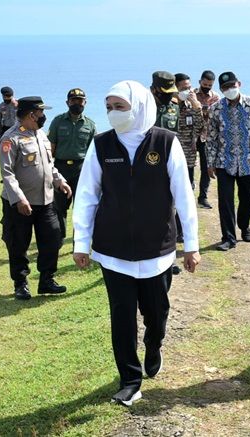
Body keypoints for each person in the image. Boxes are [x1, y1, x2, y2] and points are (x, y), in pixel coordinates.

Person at [72, 80, 200, 406]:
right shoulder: (101, 145)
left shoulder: (165, 142)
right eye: (109, 108)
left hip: (157, 250)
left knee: (157, 313)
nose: (113, 113)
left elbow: (184, 197)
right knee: (122, 316)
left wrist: (192, 245)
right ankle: (130, 378)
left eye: (120, 106)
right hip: (113, 252)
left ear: (139, 106)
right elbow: (86, 196)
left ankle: (154, 343)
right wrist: (81, 243)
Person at [0, 96, 72, 300]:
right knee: (18, 244)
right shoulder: (11, 137)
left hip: (46, 200)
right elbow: (7, 173)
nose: (43, 116)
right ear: (31, 114)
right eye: (41, 113)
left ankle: (47, 280)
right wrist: (19, 199)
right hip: (20, 204)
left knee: (53, 238)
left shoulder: (41, 135)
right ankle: (20, 283)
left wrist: (59, 180)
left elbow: (49, 165)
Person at [206, 71, 250, 250]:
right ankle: (228, 238)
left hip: (248, 161)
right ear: (221, 89)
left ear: (239, 84)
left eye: (232, 86)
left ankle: (244, 224)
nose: (229, 90)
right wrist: (210, 163)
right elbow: (211, 138)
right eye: (225, 88)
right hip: (223, 162)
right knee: (225, 201)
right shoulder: (216, 109)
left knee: (249, 199)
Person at [48, 88, 96, 246]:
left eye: (80, 100)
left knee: (81, 208)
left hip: (81, 169)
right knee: (59, 207)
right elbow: (51, 147)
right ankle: (59, 238)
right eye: (73, 100)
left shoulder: (90, 125)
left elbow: (93, 152)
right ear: (67, 102)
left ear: (85, 103)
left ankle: (79, 242)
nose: (77, 103)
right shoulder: (58, 121)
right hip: (61, 168)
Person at [151, 71, 183, 275]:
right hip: (148, 169)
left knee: (170, 213)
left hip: (169, 168)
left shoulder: (174, 107)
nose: (168, 96)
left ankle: (168, 259)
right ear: (154, 89)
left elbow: (176, 138)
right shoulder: (143, 108)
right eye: (164, 91)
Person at [174, 73, 203, 242]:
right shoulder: (169, 107)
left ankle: (182, 231)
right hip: (172, 158)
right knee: (170, 197)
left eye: (189, 87)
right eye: (184, 88)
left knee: (186, 195)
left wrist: (197, 107)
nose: (188, 90)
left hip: (189, 157)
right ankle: (173, 230)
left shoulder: (191, 106)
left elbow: (200, 127)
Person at [194, 70, 220, 209]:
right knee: (188, 167)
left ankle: (203, 198)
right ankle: (187, 196)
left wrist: (201, 109)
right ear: (200, 82)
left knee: (206, 168)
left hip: (207, 137)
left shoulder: (216, 96)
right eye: (205, 84)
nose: (207, 87)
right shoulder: (191, 94)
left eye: (209, 85)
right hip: (191, 137)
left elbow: (216, 114)